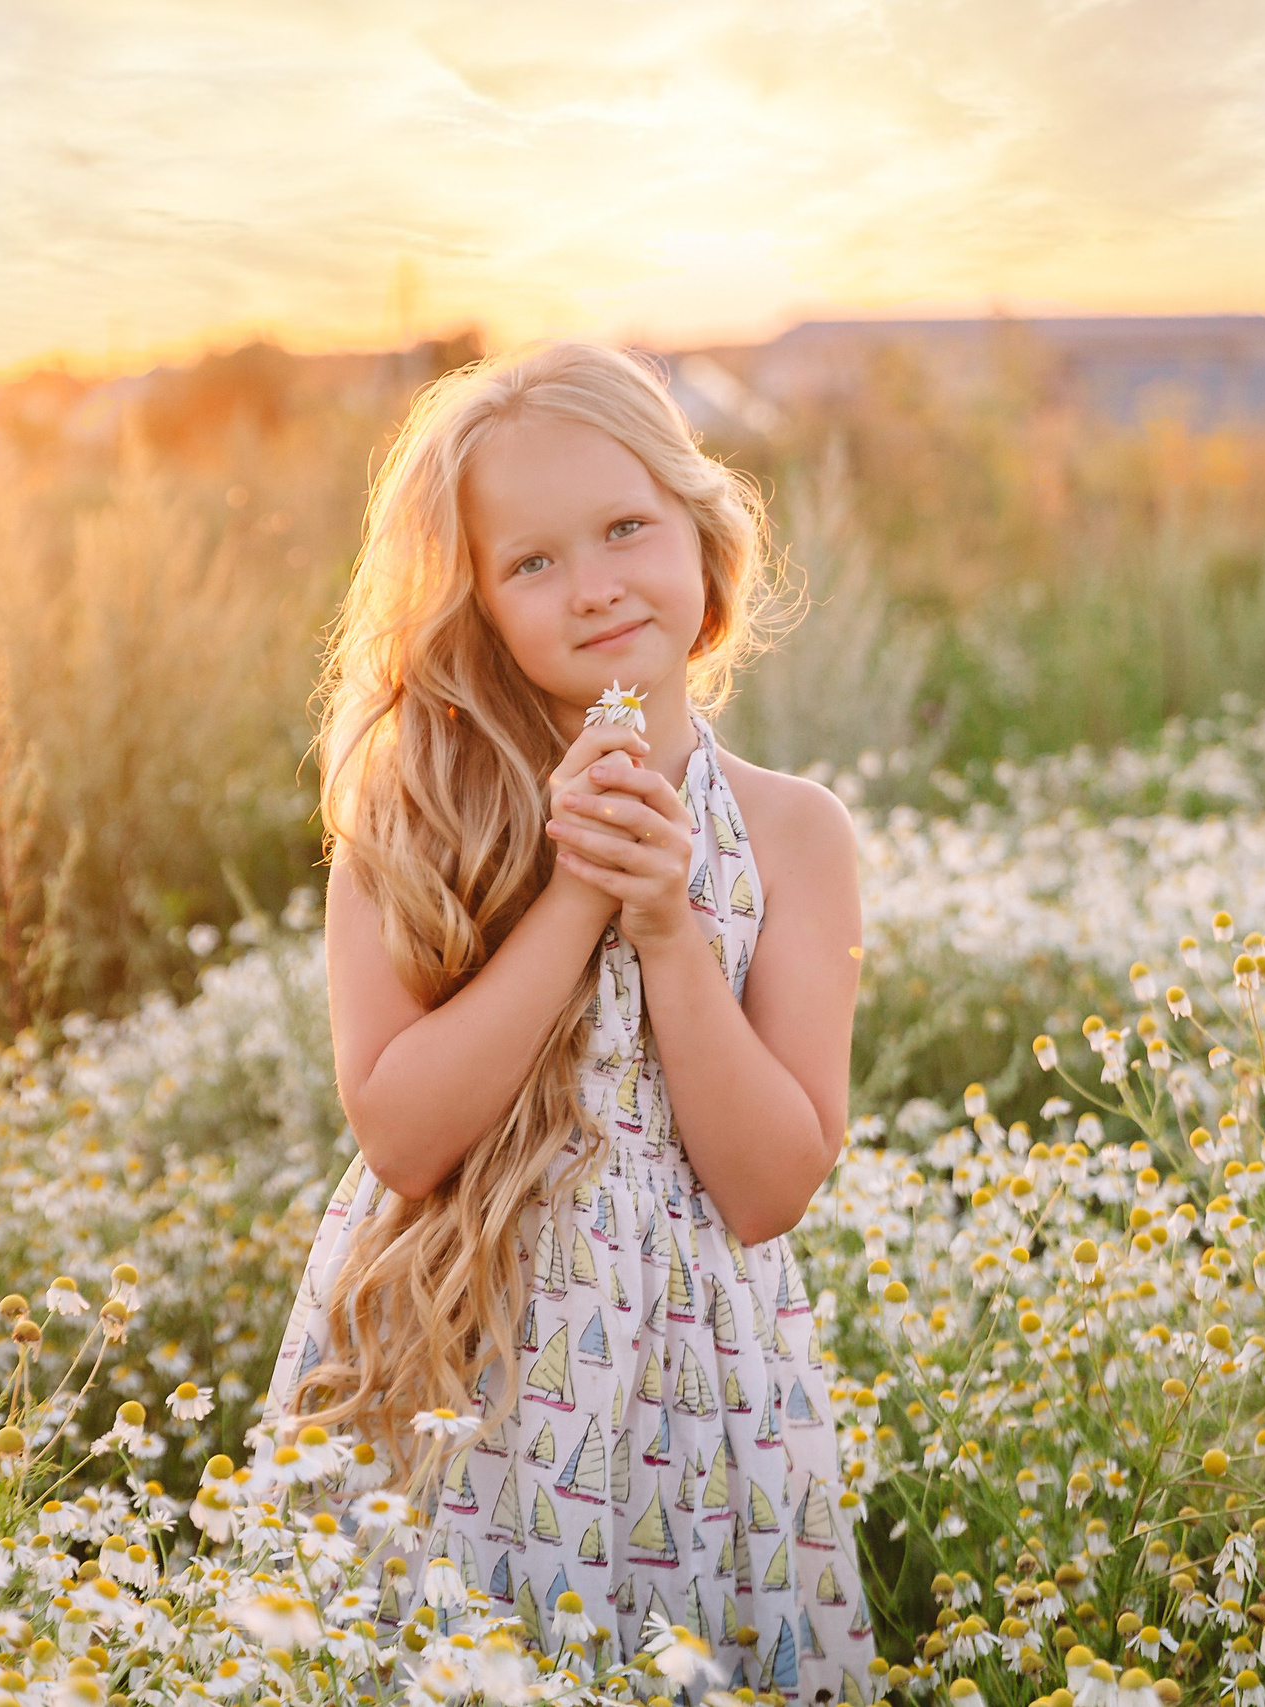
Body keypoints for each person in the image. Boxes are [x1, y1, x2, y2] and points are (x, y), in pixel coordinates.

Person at [261, 337, 876, 1703]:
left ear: (700, 536)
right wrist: (580, 899)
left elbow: (774, 1186)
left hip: (698, 1395)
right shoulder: (412, 820)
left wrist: (671, 927)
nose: (593, 584)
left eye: (625, 529)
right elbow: (404, 1136)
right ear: (473, 601)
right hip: (454, 1372)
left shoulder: (794, 834)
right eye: (531, 561)